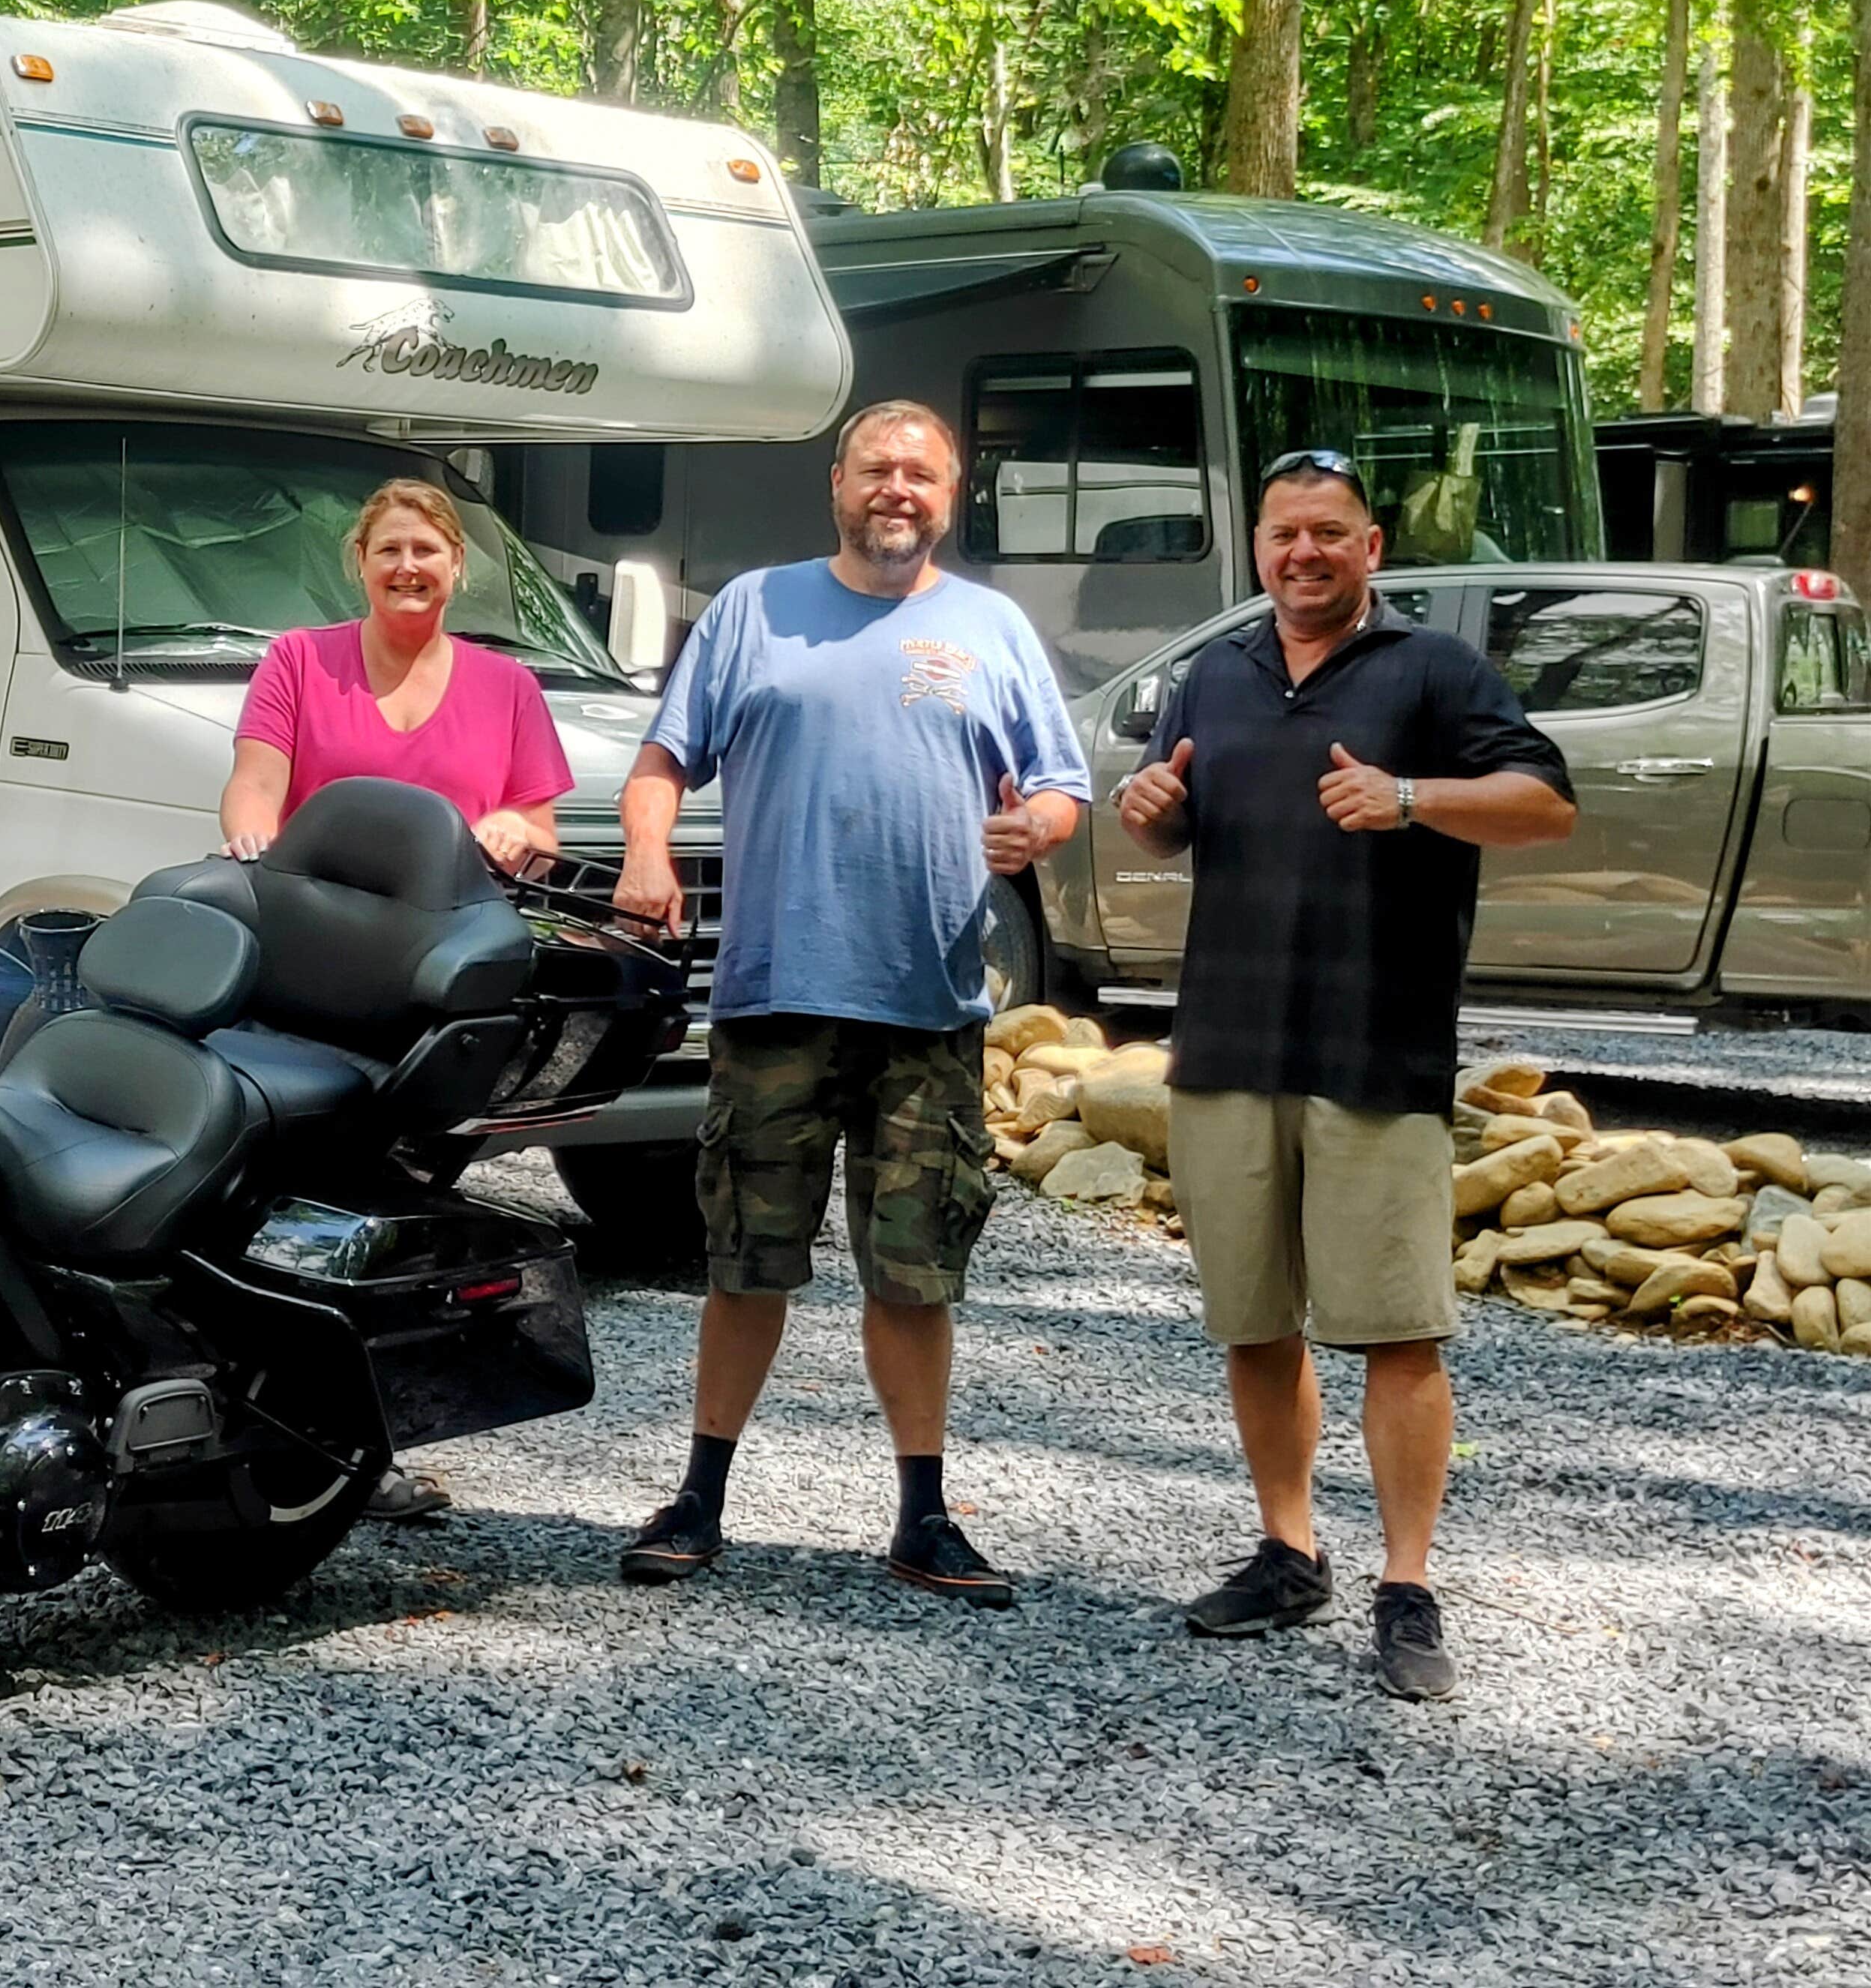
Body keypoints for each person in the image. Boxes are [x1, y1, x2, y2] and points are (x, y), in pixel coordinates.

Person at [609, 400, 1088, 1606]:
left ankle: (924, 1516)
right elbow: (663, 762)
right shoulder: (752, 610)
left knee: (914, 1271)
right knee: (744, 1259)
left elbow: (1062, 787)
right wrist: (648, 855)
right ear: (837, 484)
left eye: (920, 474)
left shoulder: (991, 628)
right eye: (878, 468)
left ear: (951, 493)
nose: (898, 490)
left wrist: (1038, 825)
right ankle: (700, 1497)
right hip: (776, 992)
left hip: (927, 1000)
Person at [1115, 450, 1574, 1700]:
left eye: (1329, 532)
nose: (1303, 553)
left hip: (1377, 1049)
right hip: (1230, 1045)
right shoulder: (1218, 669)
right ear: (1257, 547)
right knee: (1256, 1322)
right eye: (1283, 534)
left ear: (1371, 547)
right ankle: (1288, 1549)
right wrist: (1147, 805)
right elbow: (1175, 819)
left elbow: (1547, 804)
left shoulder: (1435, 670)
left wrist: (1415, 796)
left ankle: (1408, 1585)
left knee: (1398, 1331)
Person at [220, 475, 574, 1522]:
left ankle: (360, 1445)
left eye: (428, 551)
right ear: (361, 566)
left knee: (387, 1207)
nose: (410, 569)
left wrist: (517, 829)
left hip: (437, 986)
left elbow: (541, 832)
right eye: (390, 552)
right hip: (314, 972)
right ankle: (299, 1435)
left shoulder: (507, 688)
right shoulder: (297, 660)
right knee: (282, 1191)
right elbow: (253, 780)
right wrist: (253, 836)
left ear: (458, 565)